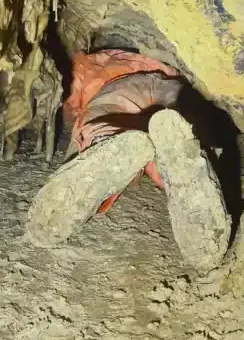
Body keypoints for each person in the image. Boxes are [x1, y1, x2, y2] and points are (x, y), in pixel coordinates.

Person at [24, 48, 231, 273]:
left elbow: (72, 100)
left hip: (121, 84)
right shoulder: (96, 60)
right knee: (180, 130)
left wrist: (72, 119)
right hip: (175, 88)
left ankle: (103, 143)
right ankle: (190, 168)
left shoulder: (86, 65)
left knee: (101, 123)